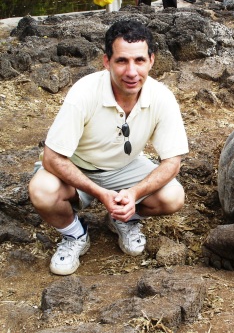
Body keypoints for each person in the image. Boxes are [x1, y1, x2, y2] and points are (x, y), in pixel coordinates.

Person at [28, 20, 189, 276]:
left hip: (126, 167)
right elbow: (52, 157)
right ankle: (75, 234)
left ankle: (124, 218)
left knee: (173, 196)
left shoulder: (162, 97)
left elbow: (172, 161)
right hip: (77, 166)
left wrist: (134, 193)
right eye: (122, 61)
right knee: (42, 190)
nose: (132, 71)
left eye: (139, 60)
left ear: (151, 61)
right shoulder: (84, 92)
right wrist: (101, 193)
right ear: (107, 61)